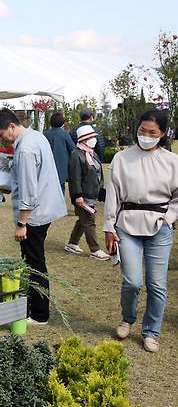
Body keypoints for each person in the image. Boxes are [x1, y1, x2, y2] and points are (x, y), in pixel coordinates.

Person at [104, 110, 178, 353]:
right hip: (127, 224)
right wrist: (109, 227)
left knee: (156, 284)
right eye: (142, 131)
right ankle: (127, 318)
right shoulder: (122, 159)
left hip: (159, 226)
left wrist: (168, 218)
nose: (146, 136)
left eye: (152, 132)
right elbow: (112, 195)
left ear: (163, 133)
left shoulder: (172, 161)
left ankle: (151, 331)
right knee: (132, 281)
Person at [0, 108, 67, 325]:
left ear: (12, 127)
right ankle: (35, 306)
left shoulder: (25, 149)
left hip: (34, 214)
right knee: (35, 260)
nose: (0, 138)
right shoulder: (36, 136)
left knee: (34, 262)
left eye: (1, 133)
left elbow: (29, 190)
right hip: (45, 207)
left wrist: (22, 223)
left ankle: (40, 314)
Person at [65, 125, 109, 260]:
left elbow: (97, 173)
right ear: (84, 139)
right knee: (89, 221)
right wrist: (78, 195)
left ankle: (72, 243)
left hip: (92, 194)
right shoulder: (76, 155)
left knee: (83, 220)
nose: (94, 140)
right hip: (83, 196)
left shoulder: (91, 152)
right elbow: (75, 178)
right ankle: (95, 250)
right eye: (91, 137)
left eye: (94, 137)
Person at [44, 112, 76, 194]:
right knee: (60, 190)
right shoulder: (64, 134)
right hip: (62, 167)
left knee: (49, 190)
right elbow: (73, 149)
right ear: (62, 122)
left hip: (48, 166)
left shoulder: (46, 134)